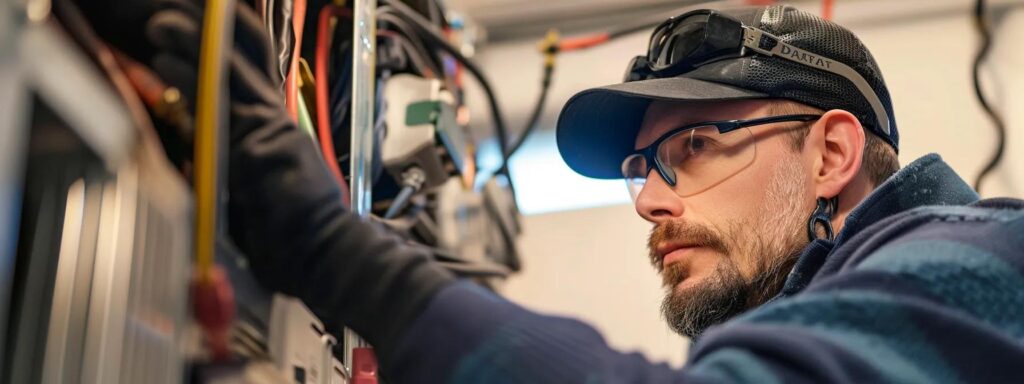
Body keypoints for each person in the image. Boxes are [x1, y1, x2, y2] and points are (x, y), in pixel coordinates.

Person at [146, 2, 1024, 382]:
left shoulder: (980, 263)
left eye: (695, 145)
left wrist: (330, 248)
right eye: (643, 169)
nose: (648, 202)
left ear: (831, 153)